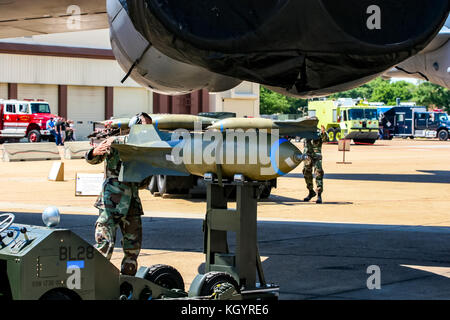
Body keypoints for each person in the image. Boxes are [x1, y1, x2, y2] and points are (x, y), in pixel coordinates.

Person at [85, 112, 152, 276]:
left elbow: (143, 183)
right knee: (104, 244)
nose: (147, 130)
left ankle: (128, 283)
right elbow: (93, 158)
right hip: (111, 203)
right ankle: (93, 281)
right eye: (144, 125)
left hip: (131, 205)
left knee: (133, 248)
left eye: (149, 127)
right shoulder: (116, 142)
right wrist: (94, 151)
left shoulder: (144, 150)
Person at [303, 125, 328, 204]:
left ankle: (319, 195)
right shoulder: (305, 131)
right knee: (306, 173)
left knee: (318, 174)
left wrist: (323, 132)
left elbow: (325, 138)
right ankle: (311, 192)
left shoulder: (318, 132)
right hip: (307, 156)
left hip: (316, 155)